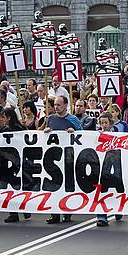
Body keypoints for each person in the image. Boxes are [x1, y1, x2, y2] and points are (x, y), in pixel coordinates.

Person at [44, 95, 83, 224]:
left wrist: (75, 132)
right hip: (53, 159)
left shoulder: (73, 119)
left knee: (67, 186)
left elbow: (83, 136)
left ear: (66, 105)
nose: (56, 107)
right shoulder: (51, 119)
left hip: (68, 159)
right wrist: (46, 131)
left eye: (59, 105)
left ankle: (67, 212)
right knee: (53, 186)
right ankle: (54, 213)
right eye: (55, 104)